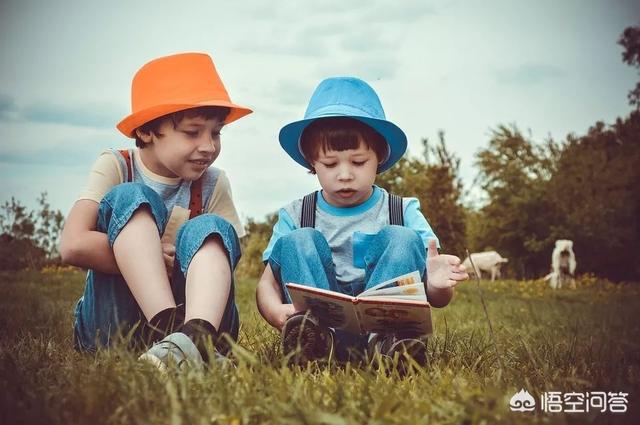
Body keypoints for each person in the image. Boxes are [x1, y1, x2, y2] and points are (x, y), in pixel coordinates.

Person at [256, 76, 468, 366]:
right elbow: (266, 284)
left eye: (358, 162)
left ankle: (391, 348)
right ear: (311, 162)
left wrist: (439, 286)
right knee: (299, 240)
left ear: (379, 157)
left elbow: (437, 297)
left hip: (386, 331)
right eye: (330, 164)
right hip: (320, 328)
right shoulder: (296, 214)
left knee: (402, 237)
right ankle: (313, 344)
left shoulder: (402, 210)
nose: (344, 174)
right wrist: (275, 311)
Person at [59, 52, 252, 370]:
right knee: (131, 196)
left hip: (198, 315)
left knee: (211, 228)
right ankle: (174, 335)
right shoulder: (117, 165)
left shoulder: (214, 182)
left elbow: (228, 254)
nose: (208, 146)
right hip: (114, 327)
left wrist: (191, 257)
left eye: (216, 133)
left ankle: (195, 337)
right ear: (147, 131)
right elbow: (73, 244)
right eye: (193, 132)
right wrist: (147, 257)